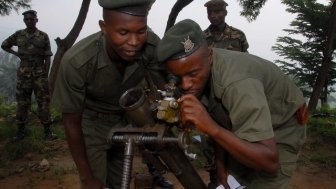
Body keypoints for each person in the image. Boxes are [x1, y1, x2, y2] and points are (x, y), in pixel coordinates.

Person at [157, 19, 307, 189]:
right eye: (178, 78)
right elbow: (223, 119)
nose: (185, 85)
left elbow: (269, 161)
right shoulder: (200, 75)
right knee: (232, 181)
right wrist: (222, 167)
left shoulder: (237, 83)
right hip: (241, 122)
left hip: (280, 126)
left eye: (192, 74)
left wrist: (210, 127)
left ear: (210, 56)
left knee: (264, 181)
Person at [52, 0, 172, 188]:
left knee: (119, 180)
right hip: (91, 124)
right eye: (123, 32)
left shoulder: (151, 47)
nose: (134, 42)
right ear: (104, 27)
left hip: (125, 119)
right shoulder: (77, 62)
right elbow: (71, 121)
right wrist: (86, 177)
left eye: (141, 31)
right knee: (96, 181)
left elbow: (165, 86)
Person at [1, 10, 57, 142]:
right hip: (23, 74)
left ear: (36, 20)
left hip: (39, 74)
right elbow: (4, 45)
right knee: (22, 102)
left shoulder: (43, 36)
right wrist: (16, 54)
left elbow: (48, 56)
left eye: (32, 19)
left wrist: (45, 73)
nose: (29, 21)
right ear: (24, 21)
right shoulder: (19, 34)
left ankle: (47, 132)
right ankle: (20, 132)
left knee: (43, 102)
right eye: (27, 19)